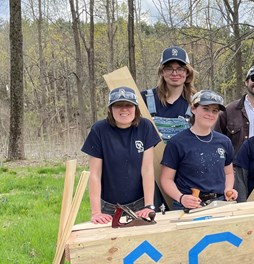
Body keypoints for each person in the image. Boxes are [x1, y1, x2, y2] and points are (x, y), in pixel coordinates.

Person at [81, 86, 161, 224]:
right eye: (118, 105)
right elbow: (95, 173)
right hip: (109, 207)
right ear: (110, 109)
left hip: (139, 204)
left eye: (129, 105)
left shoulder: (145, 127)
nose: (124, 109)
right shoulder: (99, 130)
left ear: (136, 108)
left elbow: (147, 169)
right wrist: (96, 212)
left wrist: (149, 205)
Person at [160, 90, 238, 210]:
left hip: (219, 204)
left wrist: (228, 189)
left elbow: (228, 172)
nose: (210, 114)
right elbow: (166, 179)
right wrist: (181, 198)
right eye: (205, 109)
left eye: (215, 111)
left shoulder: (224, 141)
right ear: (193, 109)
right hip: (188, 206)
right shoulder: (177, 143)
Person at [144, 46, 197, 141]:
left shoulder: (195, 103)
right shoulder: (144, 99)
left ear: (187, 72)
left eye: (180, 69)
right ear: (162, 72)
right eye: (169, 68)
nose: (174, 73)